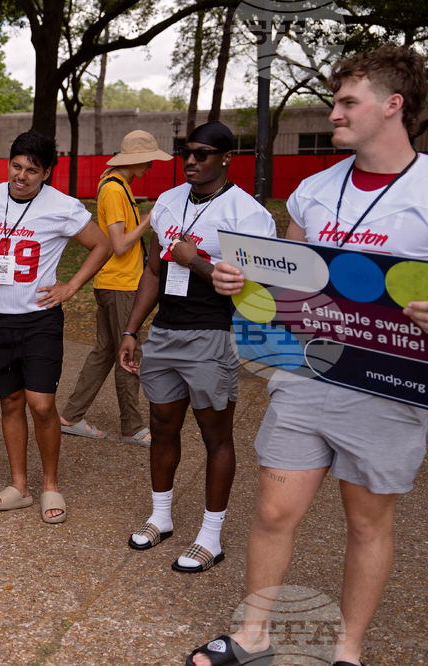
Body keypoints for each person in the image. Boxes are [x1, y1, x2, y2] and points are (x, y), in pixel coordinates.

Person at [189, 46, 428, 666]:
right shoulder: (315, 189)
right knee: (272, 509)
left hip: (389, 384)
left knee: (367, 523)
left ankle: (347, 650)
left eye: (348, 102)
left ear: (391, 105)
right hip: (309, 369)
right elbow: (284, 279)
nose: (335, 113)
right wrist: (239, 282)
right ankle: (253, 636)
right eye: (336, 101)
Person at [118, 121, 276, 573]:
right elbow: (152, 270)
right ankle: (161, 518)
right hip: (165, 331)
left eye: (203, 154)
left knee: (215, 436)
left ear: (227, 158)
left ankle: (211, 537)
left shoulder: (248, 215)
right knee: (163, 425)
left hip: (211, 335)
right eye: (187, 152)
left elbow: (252, 290)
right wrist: (132, 330)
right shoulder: (168, 202)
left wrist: (196, 261)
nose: (191, 160)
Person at [0, 130, 113, 524]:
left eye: (32, 170)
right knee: (10, 402)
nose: (21, 176)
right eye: (17, 166)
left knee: (42, 405)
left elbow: (103, 244)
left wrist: (71, 286)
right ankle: (19, 486)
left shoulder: (63, 207)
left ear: (46, 174)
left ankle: (50, 485)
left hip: (40, 319)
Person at [59, 130, 172, 445]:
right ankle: (132, 427)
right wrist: (150, 218)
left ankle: (70, 416)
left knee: (106, 352)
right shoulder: (114, 189)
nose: (150, 165)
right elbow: (120, 245)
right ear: (135, 159)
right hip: (120, 284)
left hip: (116, 283)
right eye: (147, 159)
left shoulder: (118, 186)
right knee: (127, 351)